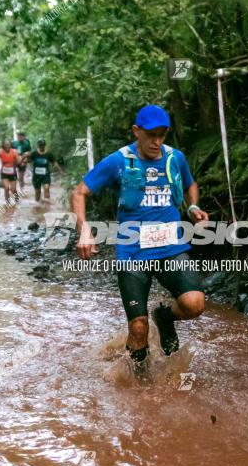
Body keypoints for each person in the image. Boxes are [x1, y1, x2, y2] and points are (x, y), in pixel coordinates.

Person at [71, 104, 208, 377]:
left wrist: (193, 207)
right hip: (133, 251)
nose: (157, 142)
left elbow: (190, 184)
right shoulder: (119, 161)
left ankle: (165, 316)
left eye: (162, 135)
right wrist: (84, 230)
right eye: (151, 135)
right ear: (136, 131)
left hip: (171, 247)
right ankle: (140, 389)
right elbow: (79, 192)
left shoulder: (174, 158)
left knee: (194, 304)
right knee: (137, 328)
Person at [30, 138, 62, 204]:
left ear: (45, 145)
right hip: (36, 176)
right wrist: (24, 158)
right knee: (37, 192)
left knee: (46, 188)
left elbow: (54, 162)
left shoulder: (49, 154)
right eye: (40, 145)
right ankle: (37, 206)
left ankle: (47, 206)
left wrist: (60, 170)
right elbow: (28, 161)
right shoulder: (34, 154)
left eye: (43, 145)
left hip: (46, 175)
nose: (42, 147)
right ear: (38, 146)